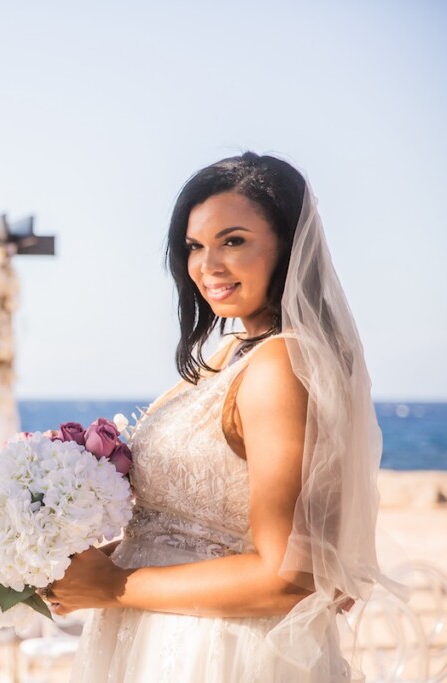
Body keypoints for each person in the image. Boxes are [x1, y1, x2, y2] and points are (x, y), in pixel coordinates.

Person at [51, 153, 389, 682]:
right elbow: (183, 528)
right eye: (194, 246)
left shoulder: (281, 366)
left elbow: (291, 576)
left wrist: (112, 587)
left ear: (286, 246)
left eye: (233, 241)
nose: (207, 265)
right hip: (154, 637)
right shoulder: (226, 354)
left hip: (216, 653)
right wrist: (82, 566)